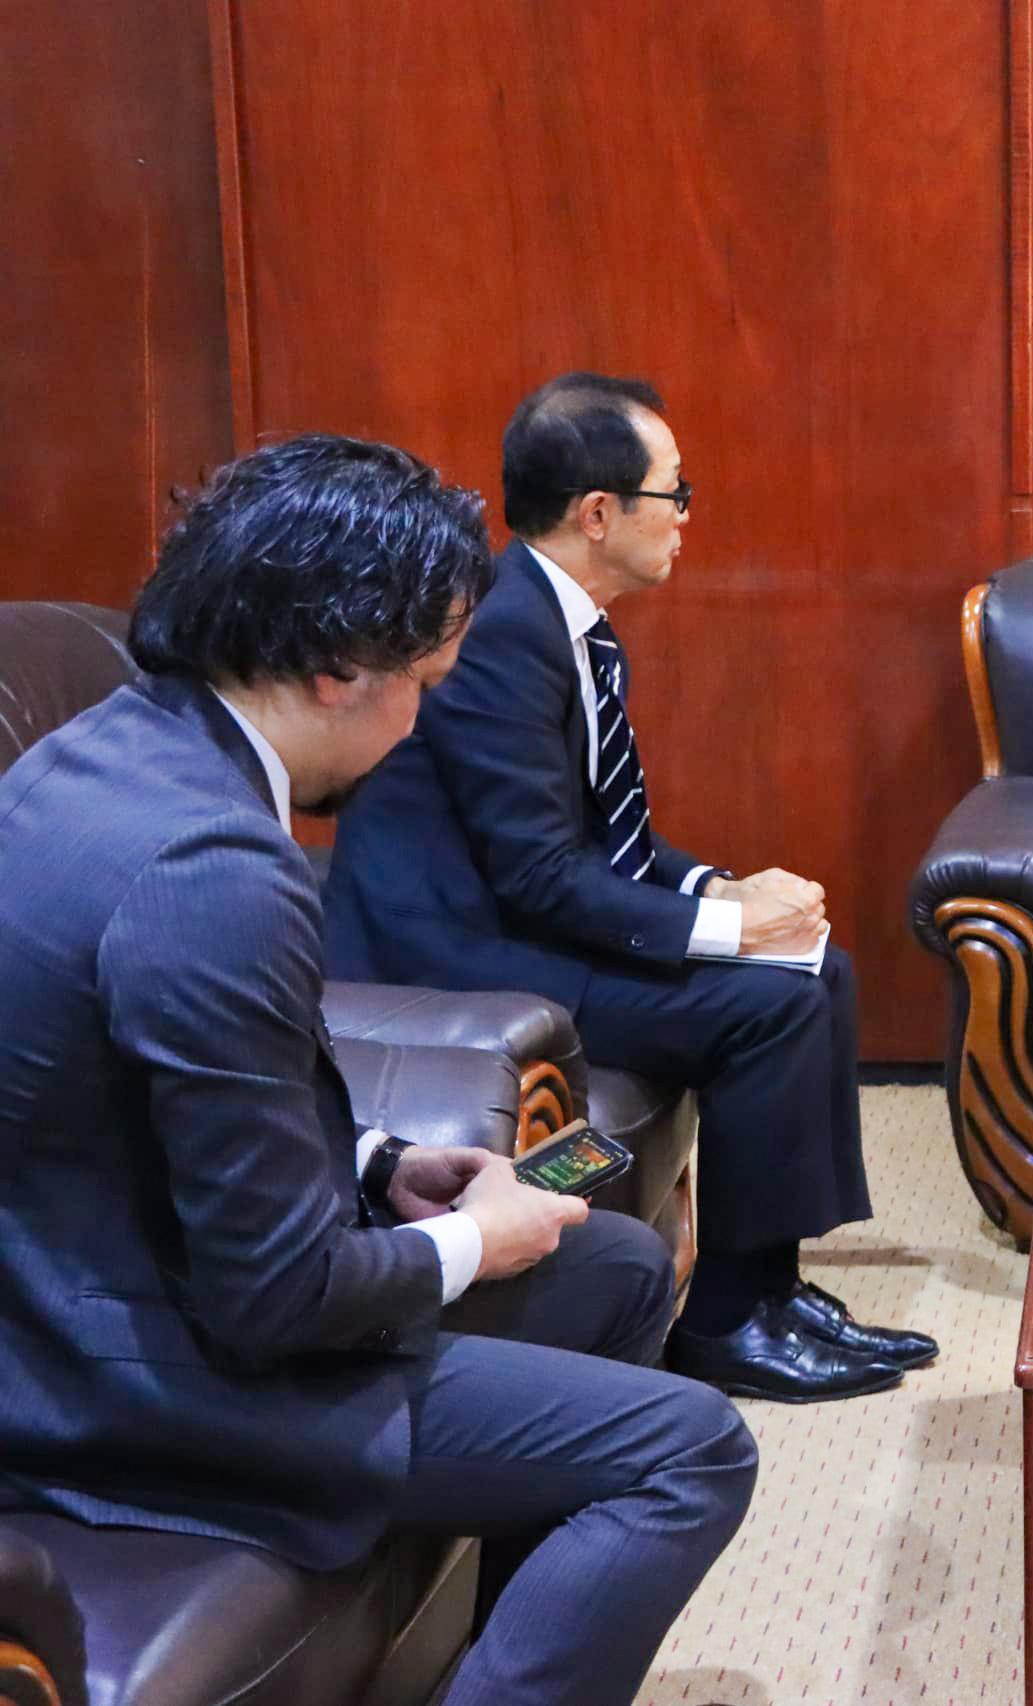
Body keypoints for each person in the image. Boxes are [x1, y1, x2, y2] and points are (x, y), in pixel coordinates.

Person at [0, 435, 756, 1705]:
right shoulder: (211, 870)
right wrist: (471, 1241)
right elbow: (276, 1296)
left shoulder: (108, 752)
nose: (419, 724)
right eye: (424, 683)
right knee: (691, 1449)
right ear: (338, 666)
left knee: (619, 1262)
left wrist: (378, 1162)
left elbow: (142, 1098)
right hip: (121, 1390)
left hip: (108, 1282)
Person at [324, 373, 933, 1404]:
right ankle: (728, 1321)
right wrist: (723, 931)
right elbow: (538, 872)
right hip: (458, 958)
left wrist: (724, 889)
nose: (687, 515)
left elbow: (610, 833)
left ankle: (771, 1288)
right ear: (599, 513)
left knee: (814, 966)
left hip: (518, 921)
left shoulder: (566, 620)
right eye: (674, 492)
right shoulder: (505, 633)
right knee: (772, 1001)